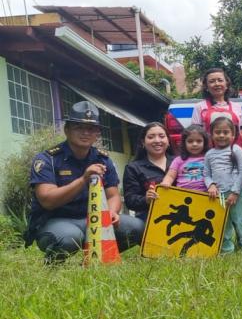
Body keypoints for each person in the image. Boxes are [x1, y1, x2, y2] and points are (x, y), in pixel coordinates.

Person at [25, 101, 143, 263]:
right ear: (67, 130)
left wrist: (112, 212)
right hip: (56, 220)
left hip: (93, 219)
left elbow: (113, 196)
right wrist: (83, 180)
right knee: (70, 238)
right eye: (79, 127)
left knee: (136, 227)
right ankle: (53, 264)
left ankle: (94, 258)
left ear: (97, 134)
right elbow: (47, 201)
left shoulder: (103, 159)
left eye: (91, 129)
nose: (85, 133)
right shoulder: (47, 159)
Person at [204, 117, 242, 253]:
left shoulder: (236, 149)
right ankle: (226, 250)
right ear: (211, 134)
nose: (221, 135)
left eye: (226, 132)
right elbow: (206, 174)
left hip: (237, 194)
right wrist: (211, 185)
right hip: (219, 196)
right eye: (218, 132)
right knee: (223, 223)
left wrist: (235, 192)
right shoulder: (209, 154)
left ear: (233, 135)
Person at [123, 122, 174, 222]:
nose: (157, 140)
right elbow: (130, 200)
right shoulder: (133, 168)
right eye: (151, 137)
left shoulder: (180, 163)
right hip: (148, 220)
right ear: (143, 142)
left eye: (162, 136)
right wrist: (145, 199)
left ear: (168, 141)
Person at [191, 68, 242, 150]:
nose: (217, 84)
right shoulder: (199, 107)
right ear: (206, 87)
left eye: (220, 80)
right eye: (212, 81)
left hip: (235, 156)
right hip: (210, 156)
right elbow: (196, 135)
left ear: (226, 85)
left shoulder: (237, 107)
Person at [160, 125, 209, 192]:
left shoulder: (208, 159)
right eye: (190, 141)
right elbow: (170, 176)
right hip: (182, 195)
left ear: (205, 143)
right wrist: (166, 182)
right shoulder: (178, 160)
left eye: (199, 141)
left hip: (204, 195)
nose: (194, 144)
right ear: (184, 143)